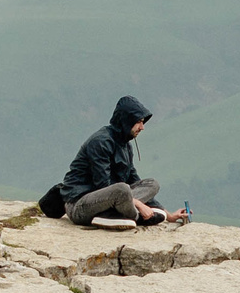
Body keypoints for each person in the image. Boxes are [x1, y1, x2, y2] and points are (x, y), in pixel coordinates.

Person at [58, 96, 184, 228]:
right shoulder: (101, 142)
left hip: (110, 200)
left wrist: (169, 216)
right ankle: (135, 216)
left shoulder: (125, 145)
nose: (142, 127)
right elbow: (103, 186)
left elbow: (134, 180)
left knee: (152, 184)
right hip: (80, 204)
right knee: (122, 189)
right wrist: (140, 204)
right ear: (126, 121)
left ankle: (118, 214)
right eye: (138, 122)